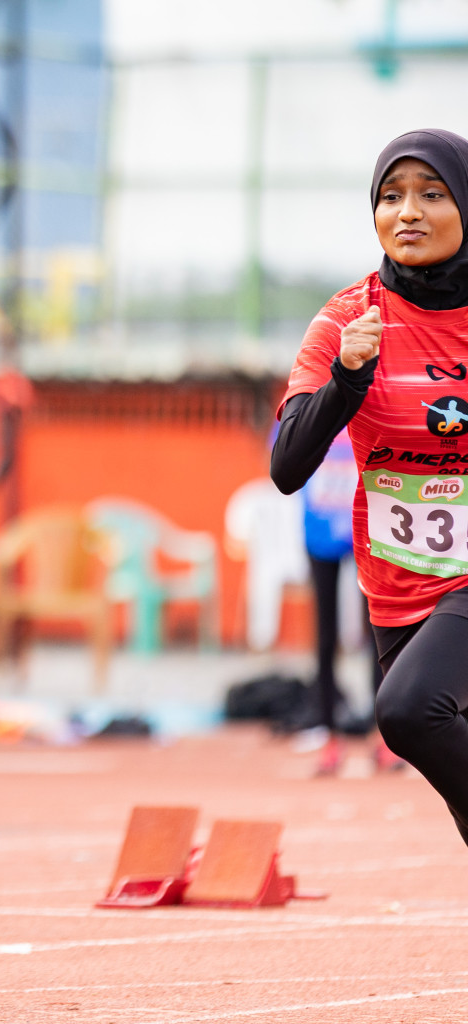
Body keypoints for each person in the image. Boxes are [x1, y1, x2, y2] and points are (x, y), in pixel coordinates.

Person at [273, 128, 468, 843]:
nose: (408, 212)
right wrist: (346, 380)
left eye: (432, 194)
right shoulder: (346, 319)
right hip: (398, 583)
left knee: (410, 710)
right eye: (391, 197)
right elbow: (287, 467)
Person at [298, 431, 391, 775]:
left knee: (378, 630)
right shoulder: (304, 406)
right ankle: (330, 737)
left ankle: (382, 737)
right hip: (319, 532)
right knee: (325, 635)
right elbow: (285, 461)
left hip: (366, 529)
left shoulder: (370, 406)